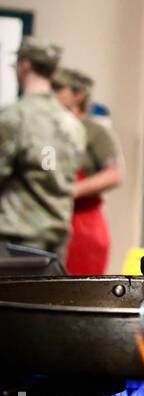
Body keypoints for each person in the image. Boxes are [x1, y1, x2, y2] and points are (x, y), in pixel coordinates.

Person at [0, 39, 85, 261]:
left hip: (15, 241)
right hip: (55, 242)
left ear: (24, 65)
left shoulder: (14, 117)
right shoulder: (72, 125)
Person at [52, 68, 123, 275]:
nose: (51, 92)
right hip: (48, 224)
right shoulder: (47, 128)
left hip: (82, 227)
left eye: (58, 88)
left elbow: (115, 173)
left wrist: (71, 190)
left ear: (78, 95)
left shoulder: (95, 132)